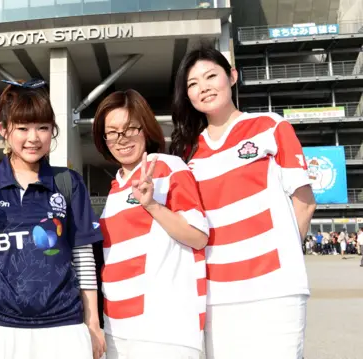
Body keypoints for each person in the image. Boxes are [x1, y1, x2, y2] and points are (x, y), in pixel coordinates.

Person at [170, 45, 317, 359]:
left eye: (211, 76)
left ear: (232, 76)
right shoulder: (187, 153)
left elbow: (304, 202)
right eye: (193, 84)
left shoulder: (270, 127)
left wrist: (282, 259)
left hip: (275, 289)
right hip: (215, 295)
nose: (203, 87)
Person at [0, 79, 105, 359]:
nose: (33, 138)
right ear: (4, 131)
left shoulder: (68, 183)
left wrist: (92, 323)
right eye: (22, 128)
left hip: (62, 328)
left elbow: (82, 257)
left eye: (43, 127)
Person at [92, 90, 208, 359]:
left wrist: (152, 205)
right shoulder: (116, 186)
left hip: (162, 329)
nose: (122, 139)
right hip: (118, 327)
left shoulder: (168, 167)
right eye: (112, 132)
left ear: (146, 128)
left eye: (131, 128)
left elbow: (197, 236)